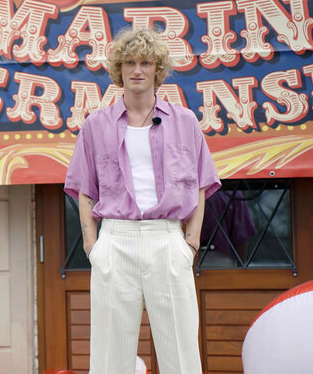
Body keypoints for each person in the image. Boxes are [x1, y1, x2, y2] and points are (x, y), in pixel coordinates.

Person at [64, 28, 220, 373]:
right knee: (109, 357)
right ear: (118, 70)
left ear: (157, 70)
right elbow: (85, 190)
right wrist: (93, 245)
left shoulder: (184, 122)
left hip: (167, 240)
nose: (137, 70)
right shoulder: (95, 125)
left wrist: (190, 243)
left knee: (181, 353)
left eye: (146, 63)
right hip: (116, 241)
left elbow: (200, 185)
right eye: (130, 62)